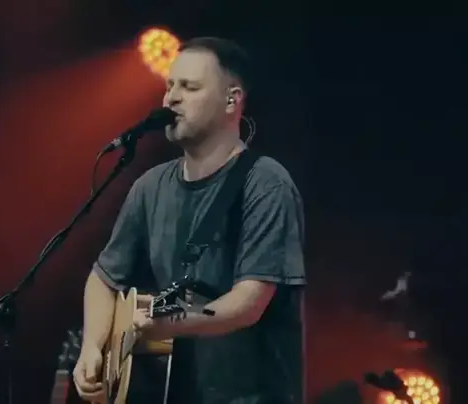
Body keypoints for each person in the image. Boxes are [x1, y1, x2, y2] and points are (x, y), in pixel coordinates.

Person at [72, 36, 306, 404]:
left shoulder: (265, 183)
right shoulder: (149, 187)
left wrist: (171, 323)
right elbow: (103, 279)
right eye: (169, 86)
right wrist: (91, 349)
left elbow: (250, 302)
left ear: (231, 100)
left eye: (189, 87)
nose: (171, 99)